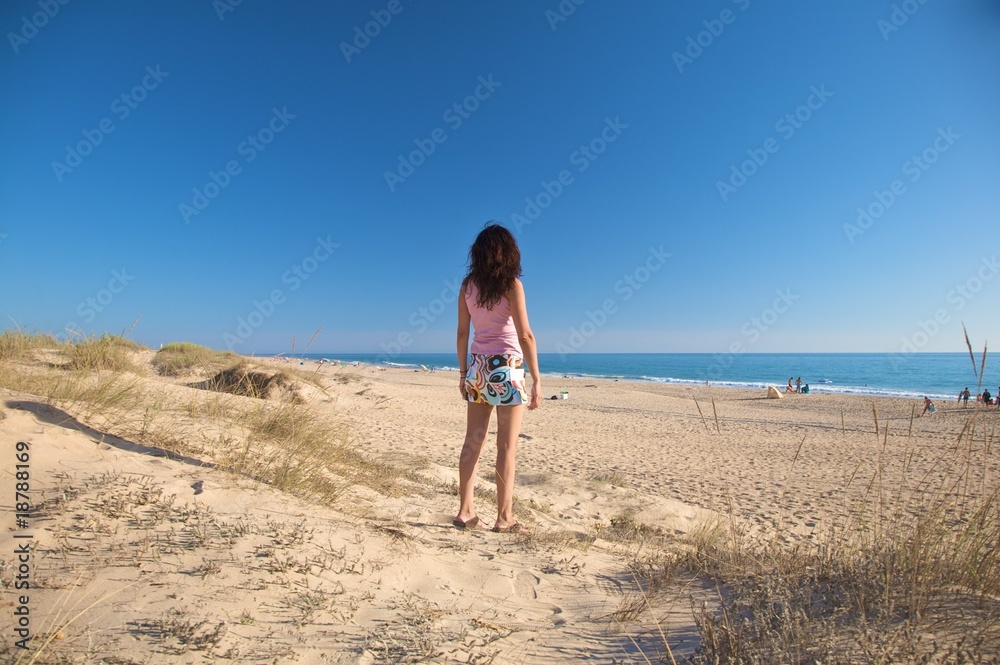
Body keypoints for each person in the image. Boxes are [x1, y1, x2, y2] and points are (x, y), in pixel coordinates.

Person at [454, 224, 541, 534]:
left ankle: (465, 512)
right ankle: (504, 518)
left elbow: (463, 333)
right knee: (506, 446)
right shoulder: (511, 285)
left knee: (472, 441)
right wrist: (536, 378)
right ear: (509, 252)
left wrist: (464, 373)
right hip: (507, 365)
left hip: (478, 366)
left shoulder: (467, 285)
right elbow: (525, 335)